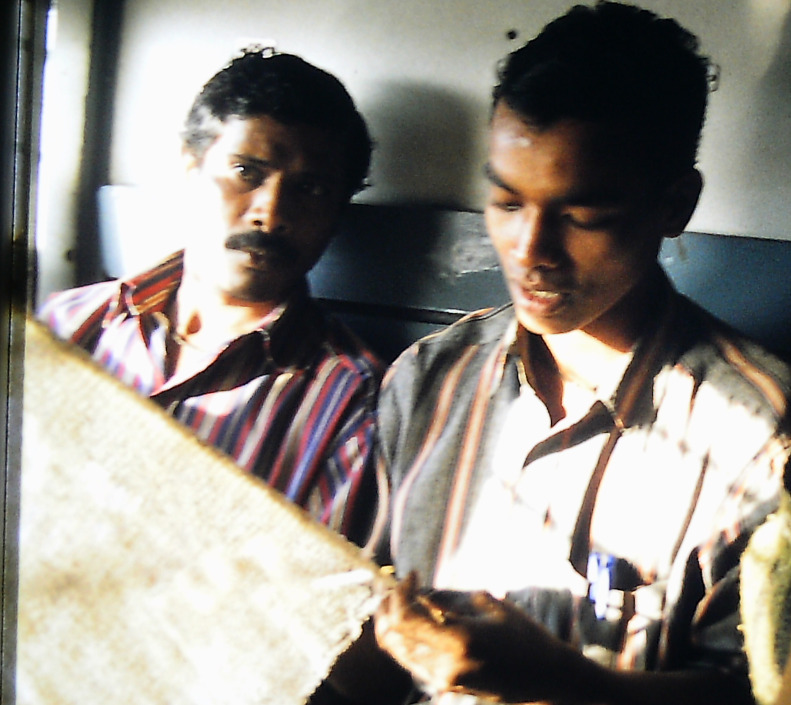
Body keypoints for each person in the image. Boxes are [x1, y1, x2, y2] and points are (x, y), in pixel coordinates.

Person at [320, 2, 791, 704]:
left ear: (673, 205)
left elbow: (757, 691)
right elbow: (358, 613)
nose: (529, 252)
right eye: (507, 202)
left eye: (580, 215)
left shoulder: (759, 433)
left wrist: (565, 684)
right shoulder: (426, 379)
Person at [38, 48, 382, 543]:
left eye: (310, 189)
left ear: (337, 211)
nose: (271, 212)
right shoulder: (67, 326)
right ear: (190, 167)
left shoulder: (349, 400)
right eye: (247, 172)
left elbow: (310, 606)